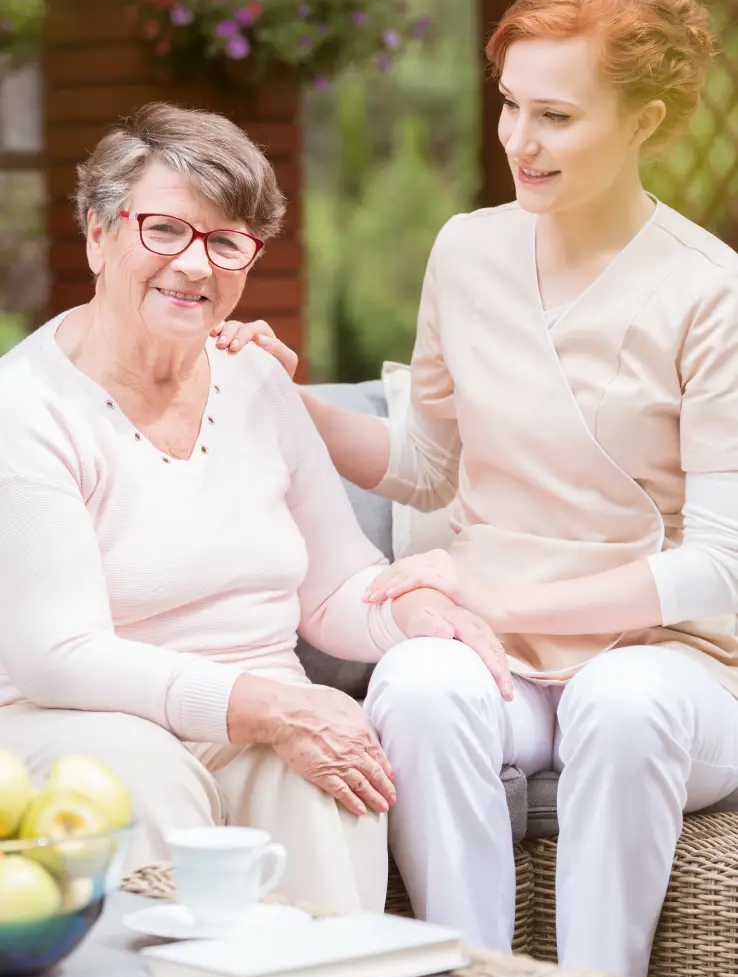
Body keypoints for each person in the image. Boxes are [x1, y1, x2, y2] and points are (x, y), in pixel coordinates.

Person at [213, 0, 738, 977]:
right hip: (502, 660)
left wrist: (501, 595)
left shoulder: (711, 294)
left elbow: (720, 568)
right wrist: (287, 397)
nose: (518, 141)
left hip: (671, 665)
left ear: (644, 122)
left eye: (556, 116)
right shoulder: (467, 251)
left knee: (622, 703)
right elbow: (424, 464)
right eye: (509, 104)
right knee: (416, 685)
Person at [0, 102, 508, 915]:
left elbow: (334, 589)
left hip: (258, 711)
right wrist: (263, 708)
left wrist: (414, 612)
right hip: (79, 719)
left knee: (335, 769)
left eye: (225, 241)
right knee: (142, 774)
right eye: (165, 230)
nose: (194, 265)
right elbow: (59, 656)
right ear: (98, 233)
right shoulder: (28, 408)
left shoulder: (257, 381)